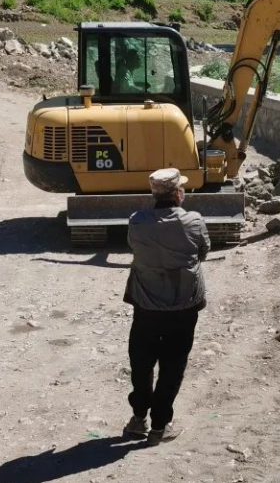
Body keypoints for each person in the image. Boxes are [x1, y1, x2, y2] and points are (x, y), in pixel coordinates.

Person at [123, 168, 209, 447]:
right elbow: (203, 251)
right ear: (178, 194)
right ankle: (160, 426)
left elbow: (134, 248)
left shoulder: (137, 222)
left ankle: (139, 418)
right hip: (183, 306)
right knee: (172, 365)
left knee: (141, 360)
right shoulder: (193, 221)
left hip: (146, 305)